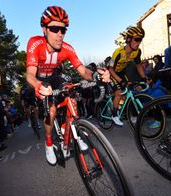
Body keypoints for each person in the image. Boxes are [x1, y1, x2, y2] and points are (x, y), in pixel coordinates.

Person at [26, 6, 110, 165]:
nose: (59, 34)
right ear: (44, 29)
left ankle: (69, 128)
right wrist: (38, 85)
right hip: (39, 80)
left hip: (54, 77)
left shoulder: (67, 49)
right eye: (54, 28)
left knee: (71, 93)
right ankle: (49, 143)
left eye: (63, 30)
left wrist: (97, 75)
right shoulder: (35, 43)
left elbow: (84, 72)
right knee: (51, 110)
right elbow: (29, 74)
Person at [108, 26, 148, 126]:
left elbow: (138, 65)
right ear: (129, 39)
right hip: (112, 73)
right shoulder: (118, 52)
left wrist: (144, 78)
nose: (139, 43)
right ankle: (114, 115)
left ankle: (129, 113)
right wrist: (120, 81)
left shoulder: (137, 51)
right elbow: (110, 69)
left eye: (140, 40)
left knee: (128, 92)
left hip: (122, 72)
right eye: (137, 39)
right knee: (118, 92)